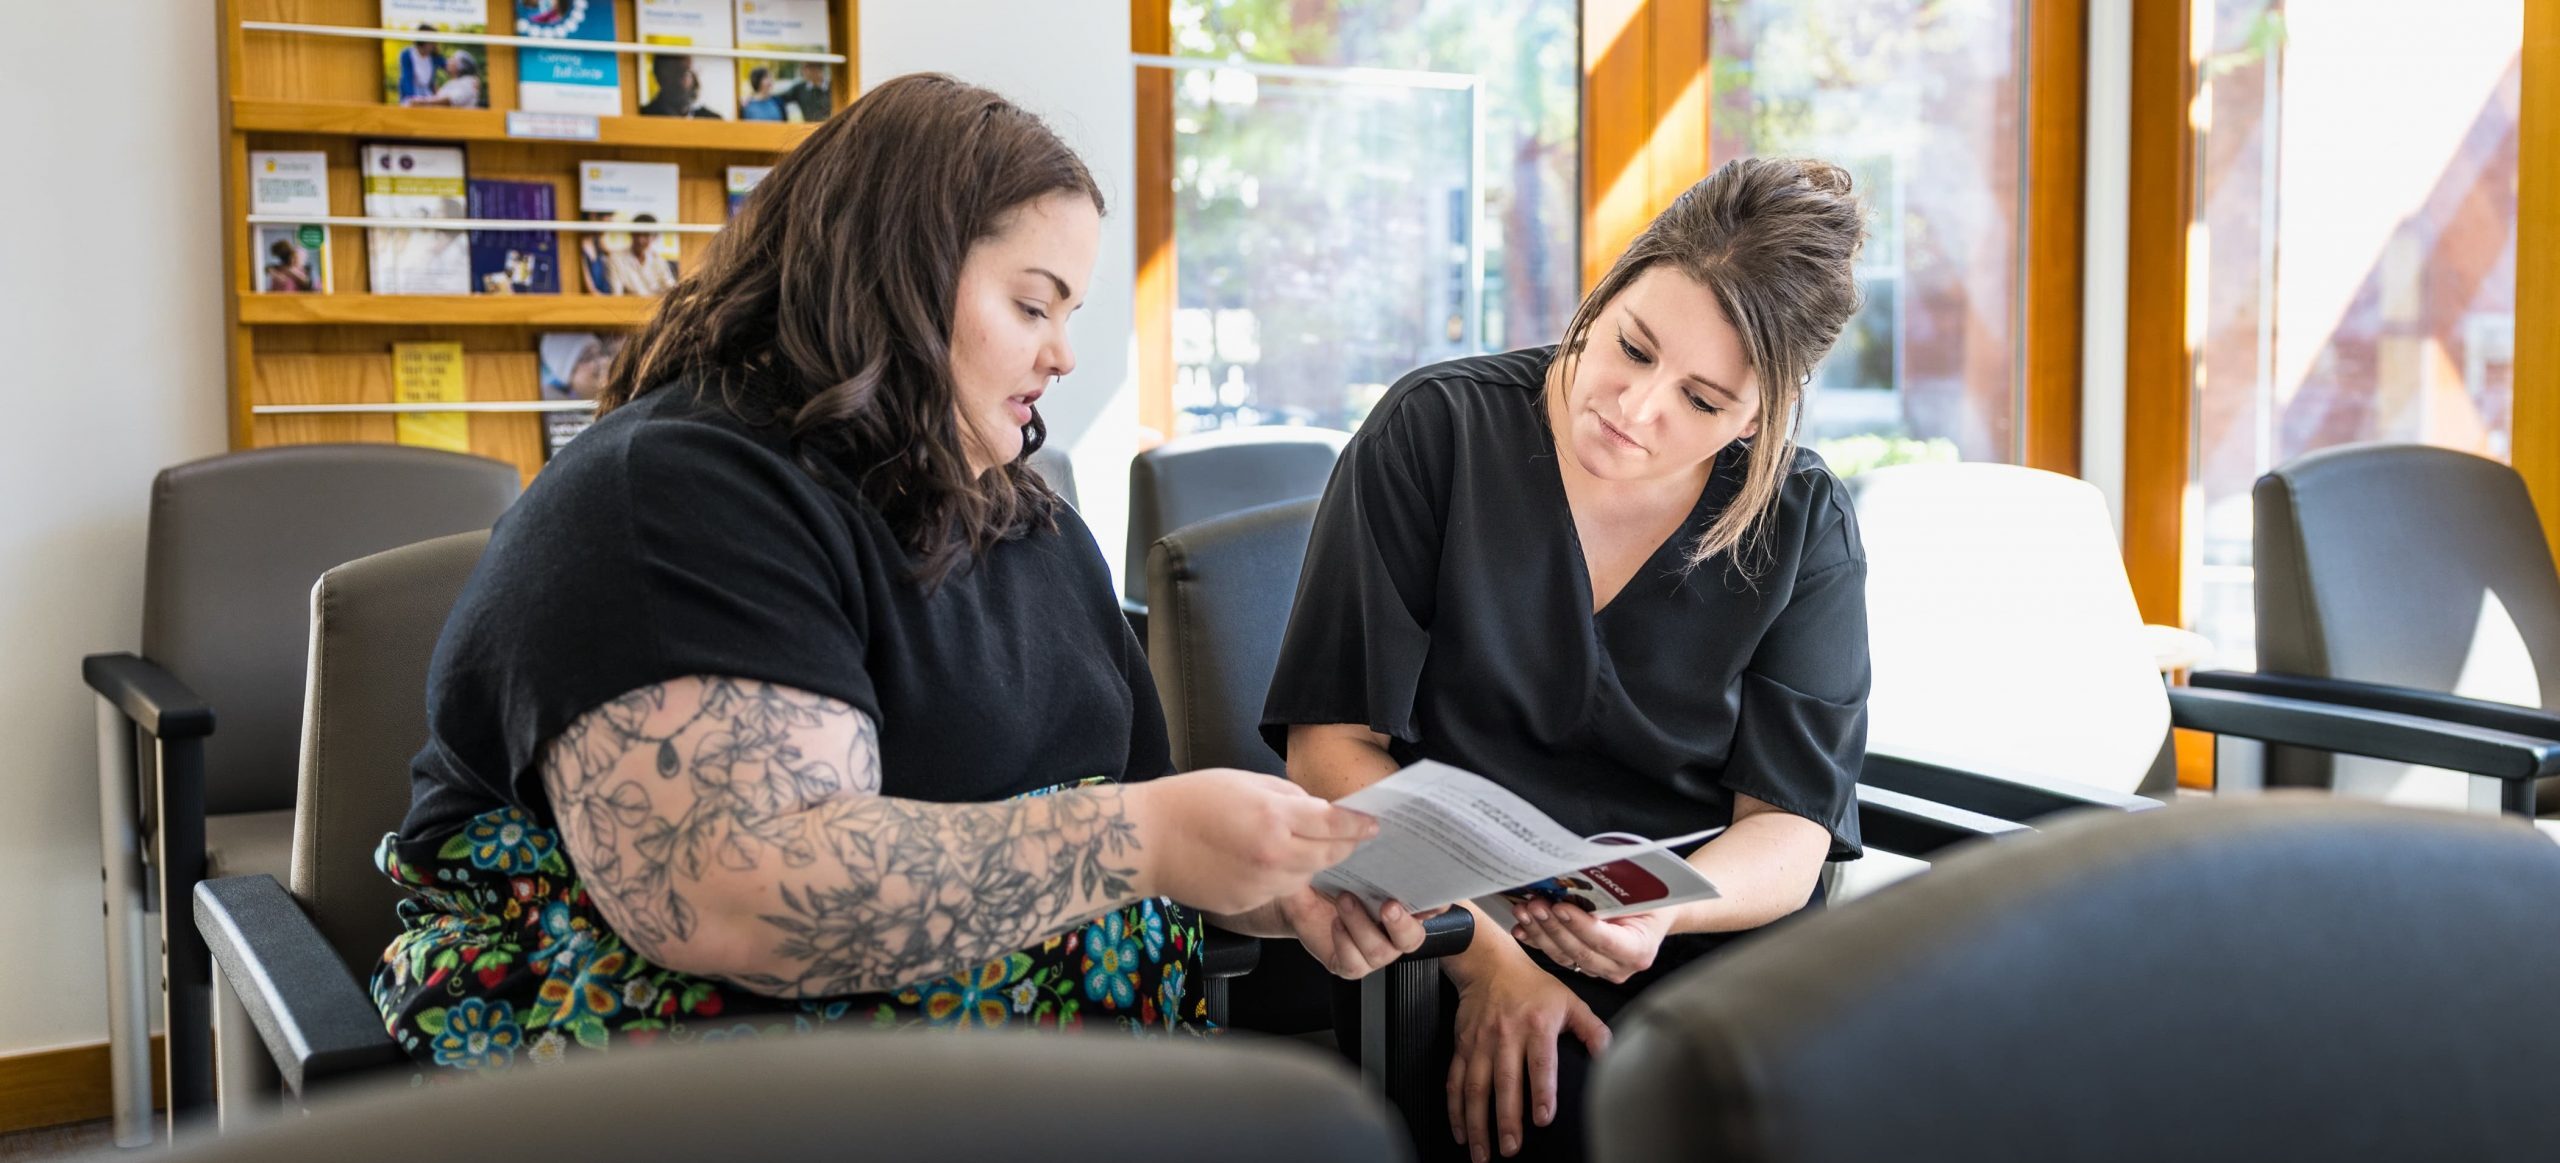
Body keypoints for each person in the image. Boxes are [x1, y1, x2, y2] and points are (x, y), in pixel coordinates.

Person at [371, 73, 1437, 1072]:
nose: (1063, 354)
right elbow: (737, 899)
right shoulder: (671, 492)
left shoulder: (1031, 526)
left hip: (1035, 1083)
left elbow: (1115, 838)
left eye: (1070, 315)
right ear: (902, 277)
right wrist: (1154, 840)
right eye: (1033, 305)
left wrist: (1266, 887)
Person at [1265, 156, 1872, 1162]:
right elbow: (1332, 754)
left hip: (1694, 930)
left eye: (1702, 399)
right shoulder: (1434, 435)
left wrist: (1658, 919)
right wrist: (1494, 965)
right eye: (1631, 347)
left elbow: (1790, 830)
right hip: (1447, 924)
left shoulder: (1798, 521)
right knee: (1564, 1106)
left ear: (1760, 415)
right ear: (1608, 290)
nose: (1634, 409)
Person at [602, 214, 680, 297]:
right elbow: (616, 295)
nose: (640, 240)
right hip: (628, 307)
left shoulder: (658, 260)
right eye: (637, 234)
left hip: (655, 307)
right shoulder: (616, 259)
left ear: (654, 237)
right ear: (631, 233)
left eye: (646, 235)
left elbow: (670, 288)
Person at [641, 53, 718, 118]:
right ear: (661, 77)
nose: (696, 82)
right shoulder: (643, 116)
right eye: (685, 73)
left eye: (693, 73)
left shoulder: (712, 120)